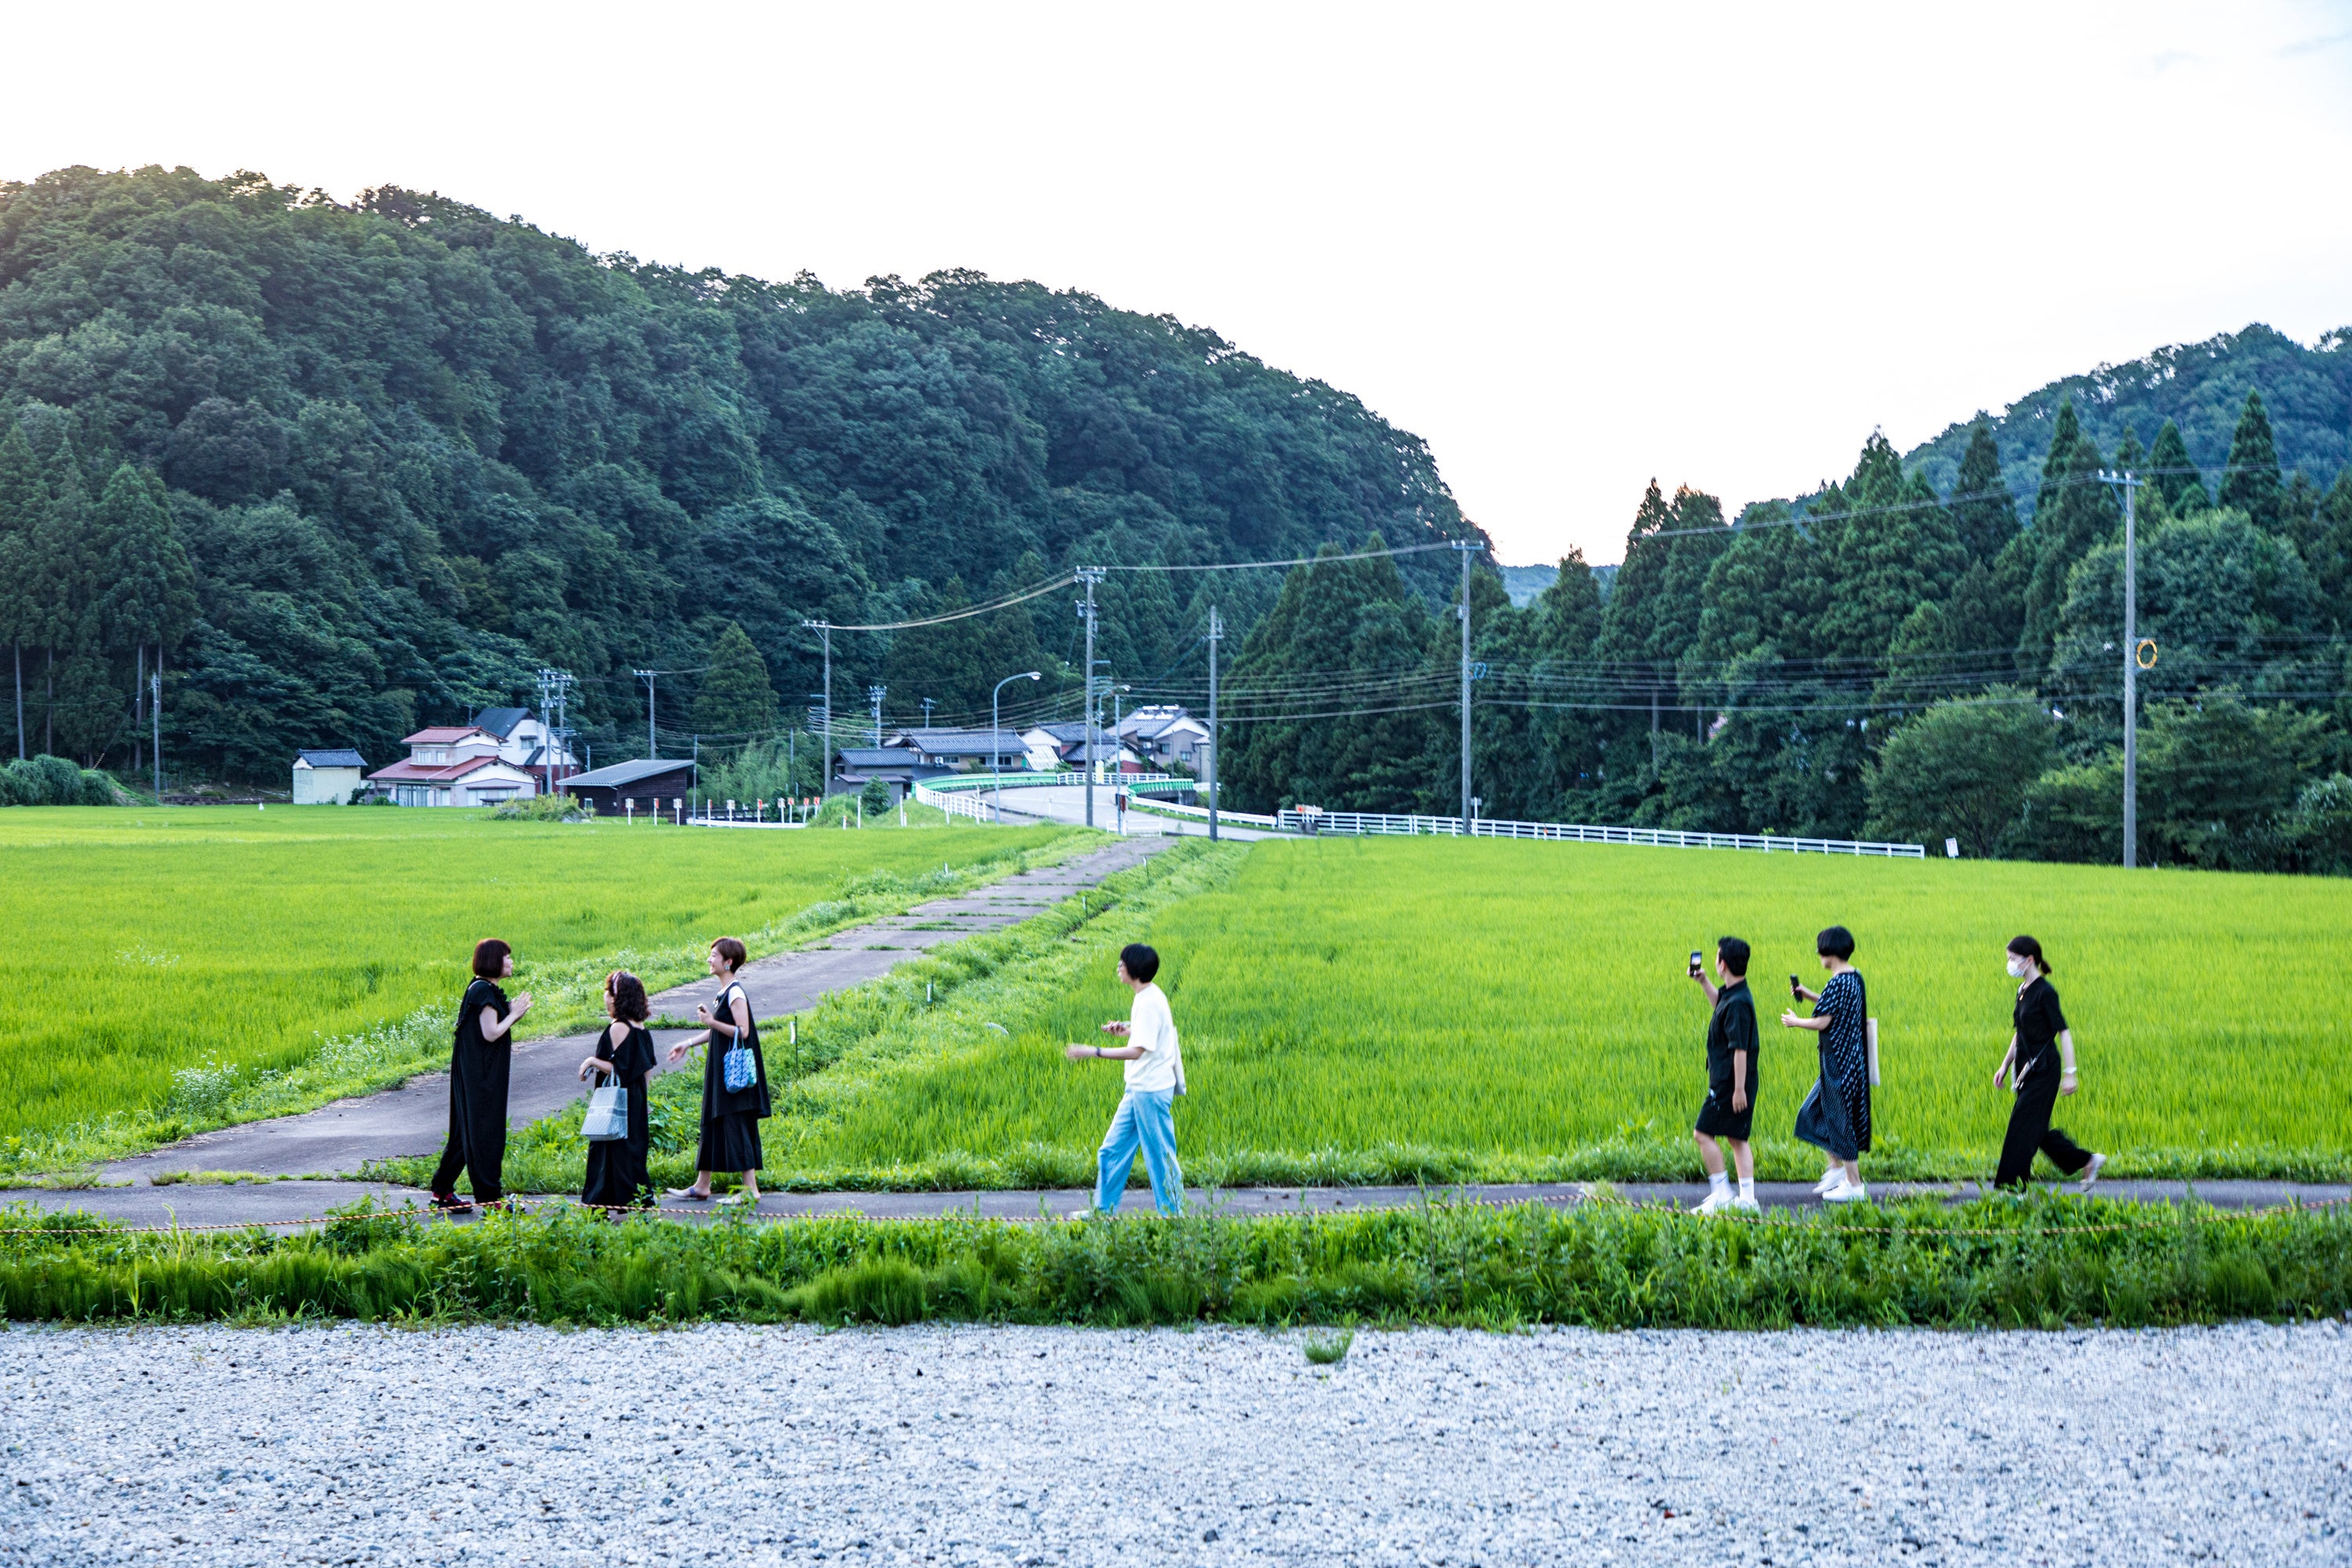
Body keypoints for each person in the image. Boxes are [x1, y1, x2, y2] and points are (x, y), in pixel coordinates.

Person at [1063, 942, 1185, 1218]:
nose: (1119, 967)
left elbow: (1138, 1050)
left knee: (1160, 1158)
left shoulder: (1150, 1003)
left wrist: (1093, 1051)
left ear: (1135, 969)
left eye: (1122, 963)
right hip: (1139, 1089)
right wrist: (1128, 1030)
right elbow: (1147, 1035)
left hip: (1150, 1091)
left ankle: (1175, 1218)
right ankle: (1103, 1212)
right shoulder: (1145, 996)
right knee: (1111, 1151)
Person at [1991, 935, 2107, 1193]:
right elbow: (2019, 1034)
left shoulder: (2045, 992)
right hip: (2025, 1069)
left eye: (2012, 959)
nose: (2009, 964)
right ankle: (2088, 1161)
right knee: (2036, 1131)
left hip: (2044, 1070)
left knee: (2021, 1128)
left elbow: (2063, 1032)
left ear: (2028, 960)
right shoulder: (2022, 991)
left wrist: (2071, 1073)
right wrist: (2004, 1065)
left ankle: (2012, 1191)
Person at [429, 938, 532, 1214]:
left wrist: (511, 1014)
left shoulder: (483, 989)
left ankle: (443, 1190)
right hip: (482, 1078)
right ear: (493, 961)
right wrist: (515, 1014)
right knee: (486, 1133)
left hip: (477, 1074)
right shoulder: (483, 991)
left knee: (465, 1133)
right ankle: (490, 1199)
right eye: (507, 957)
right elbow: (491, 1033)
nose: (511, 962)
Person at [666, 938, 771, 1206]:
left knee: (736, 1123)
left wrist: (712, 1021)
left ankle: (751, 1190)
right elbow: (718, 1029)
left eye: (714, 955)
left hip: (733, 1074)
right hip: (722, 1071)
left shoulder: (735, 993)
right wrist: (688, 1043)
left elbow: (743, 1032)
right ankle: (702, 1185)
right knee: (713, 1123)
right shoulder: (724, 992)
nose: (709, 960)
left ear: (728, 962)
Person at [1781, 924, 1871, 1203]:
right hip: (1849, 1061)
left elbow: (1824, 1021)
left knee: (1840, 1121)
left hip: (1839, 1065)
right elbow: (1836, 1005)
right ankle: (1835, 1170)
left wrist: (1796, 1021)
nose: (1818, 953)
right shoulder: (1854, 978)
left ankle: (1854, 1185)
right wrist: (1809, 995)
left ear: (1829, 952)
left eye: (1821, 948)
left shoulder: (1838, 982)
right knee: (1812, 1113)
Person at [1686, 936, 1760, 1214]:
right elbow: (1720, 1006)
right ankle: (1748, 1200)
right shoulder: (1734, 992)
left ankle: (1722, 1192)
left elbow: (1740, 1048)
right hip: (1733, 1080)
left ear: (1723, 963)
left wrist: (1739, 1089)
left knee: (1702, 1134)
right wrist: (1704, 981)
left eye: (1716, 957)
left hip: (1730, 1082)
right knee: (1736, 1137)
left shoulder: (1739, 1003)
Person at [579, 970, 659, 1213]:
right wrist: (645, 1097)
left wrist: (592, 1061)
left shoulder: (618, 1027)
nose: (605, 996)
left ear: (617, 997)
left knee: (607, 1148)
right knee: (632, 1150)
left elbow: (618, 1069)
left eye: (608, 992)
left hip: (616, 1099)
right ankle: (636, 1201)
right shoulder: (640, 1027)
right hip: (635, 1098)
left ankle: (601, 1204)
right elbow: (646, 1067)